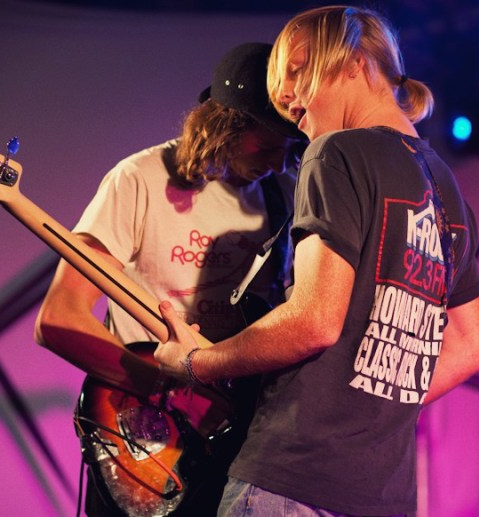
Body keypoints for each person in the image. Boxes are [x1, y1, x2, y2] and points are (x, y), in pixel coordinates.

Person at [153, 5, 479, 517]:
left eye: (296, 71)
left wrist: (195, 363)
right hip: (384, 498)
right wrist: (375, 408)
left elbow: (313, 321)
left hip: (293, 482)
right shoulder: (445, 186)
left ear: (356, 61)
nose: (284, 96)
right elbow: (470, 348)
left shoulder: (337, 153)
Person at [34, 42, 305, 516]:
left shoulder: (282, 195)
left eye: (290, 150)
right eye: (266, 147)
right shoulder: (138, 180)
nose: (280, 164)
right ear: (225, 126)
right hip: (148, 437)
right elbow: (59, 319)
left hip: (237, 443)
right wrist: (169, 386)